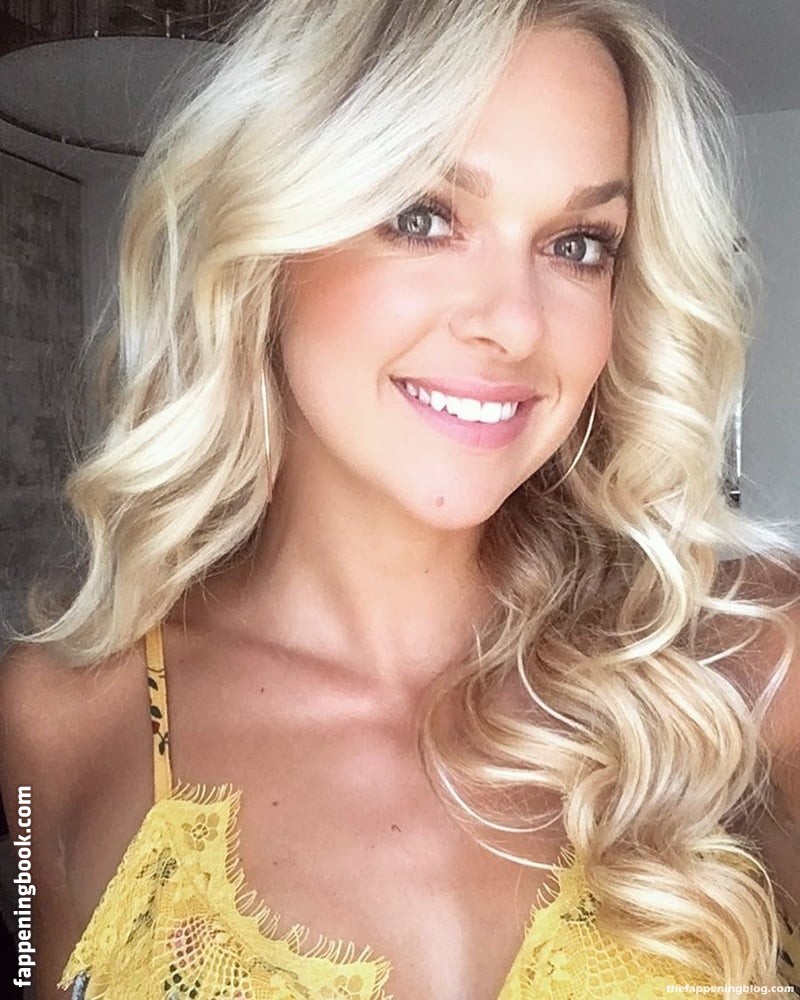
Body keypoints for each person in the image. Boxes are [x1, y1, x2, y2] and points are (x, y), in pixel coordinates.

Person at [1, 0, 798, 997]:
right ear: (270, 249)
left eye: (577, 245)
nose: (513, 324)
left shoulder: (749, 669)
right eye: (423, 217)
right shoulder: (61, 721)